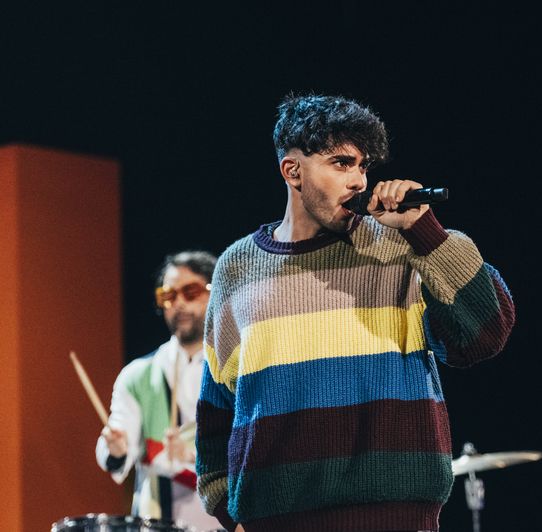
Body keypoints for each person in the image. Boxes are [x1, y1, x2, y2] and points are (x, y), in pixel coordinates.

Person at [196, 94, 516, 532]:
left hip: (396, 518)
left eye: (364, 166)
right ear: (293, 171)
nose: (360, 181)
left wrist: (423, 230)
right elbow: (216, 410)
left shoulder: (402, 247)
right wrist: (227, 510)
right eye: (342, 163)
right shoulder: (238, 267)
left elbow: (485, 334)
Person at [96, 251, 222, 531]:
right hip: (156, 522)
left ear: (217, 292)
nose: (178, 303)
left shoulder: (233, 370)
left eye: (190, 292)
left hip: (220, 521)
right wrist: (116, 446)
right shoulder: (138, 375)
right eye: (168, 296)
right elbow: (118, 440)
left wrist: (194, 457)